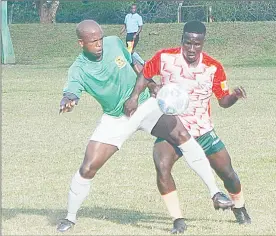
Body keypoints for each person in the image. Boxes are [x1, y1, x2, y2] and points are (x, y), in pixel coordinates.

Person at [57, 19, 234, 233]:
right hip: (116, 118)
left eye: (100, 39)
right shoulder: (78, 69)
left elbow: (135, 62)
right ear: (81, 43)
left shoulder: (114, 42)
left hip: (144, 106)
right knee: (88, 167)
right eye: (93, 41)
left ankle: (215, 193)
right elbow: (71, 91)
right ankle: (70, 217)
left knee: (183, 135)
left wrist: (150, 84)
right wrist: (68, 101)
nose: (99, 44)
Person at [129, 20, 251, 231]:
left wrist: (234, 97)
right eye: (188, 43)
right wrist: (135, 96)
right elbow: (145, 74)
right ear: (182, 41)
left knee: (227, 173)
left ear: (203, 43)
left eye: (197, 44)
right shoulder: (165, 57)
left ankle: (239, 208)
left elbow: (222, 101)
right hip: (172, 128)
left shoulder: (213, 67)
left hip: (202, 130)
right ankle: (178, 219)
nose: (192, 49)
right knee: (162, 166)